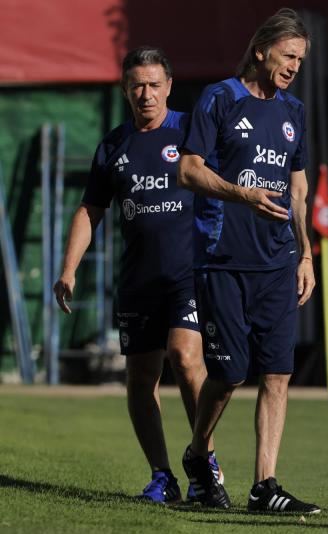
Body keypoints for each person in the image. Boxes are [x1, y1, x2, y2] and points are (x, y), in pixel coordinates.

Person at [53, 46, 221, 503]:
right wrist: (69, 268)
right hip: (138, 281)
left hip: (188, 274)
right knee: (141, 376)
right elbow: (91, 209)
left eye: (153, 84)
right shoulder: (113, 144)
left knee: (186, 358)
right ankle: (162, 475)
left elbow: (225, 187)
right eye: (136, 86)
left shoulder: (191, 131)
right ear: (126, 89)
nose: (145, 94)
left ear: (168, 85)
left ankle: (204, 464)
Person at [176, 8, 318, 513]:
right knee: (231, 372)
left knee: (278, 372)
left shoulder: (293, 112)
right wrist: (241, 193)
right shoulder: (219, 97)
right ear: (261, 50)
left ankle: (265, 485)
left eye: (301, 59)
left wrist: (305, 253)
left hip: (278, 262)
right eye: (288, 55)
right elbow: (188, 171)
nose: (294, 66)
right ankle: (198, 454)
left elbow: (297, 189)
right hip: (222, 259)